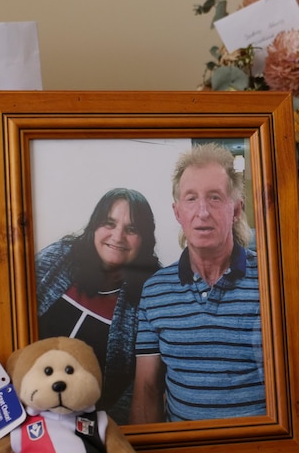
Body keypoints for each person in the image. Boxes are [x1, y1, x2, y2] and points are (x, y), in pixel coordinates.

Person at [129, 143, 265, 423]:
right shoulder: (155, 291)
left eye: (215, 197)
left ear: (236, 210)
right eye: (191, 199)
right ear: (178, 212)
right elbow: (147, 390)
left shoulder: (270, 278)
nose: (202, 212)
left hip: (264, 452)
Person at [35, 188, 161, 423]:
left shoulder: (151, 293)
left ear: (144, 239)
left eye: (131, 229)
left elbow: (138, 388)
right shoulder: (57, 259)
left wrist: (100, 433)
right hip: (28, 407)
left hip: (94, 426)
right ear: (94, 226)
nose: (118, 236)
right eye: (109, 223)